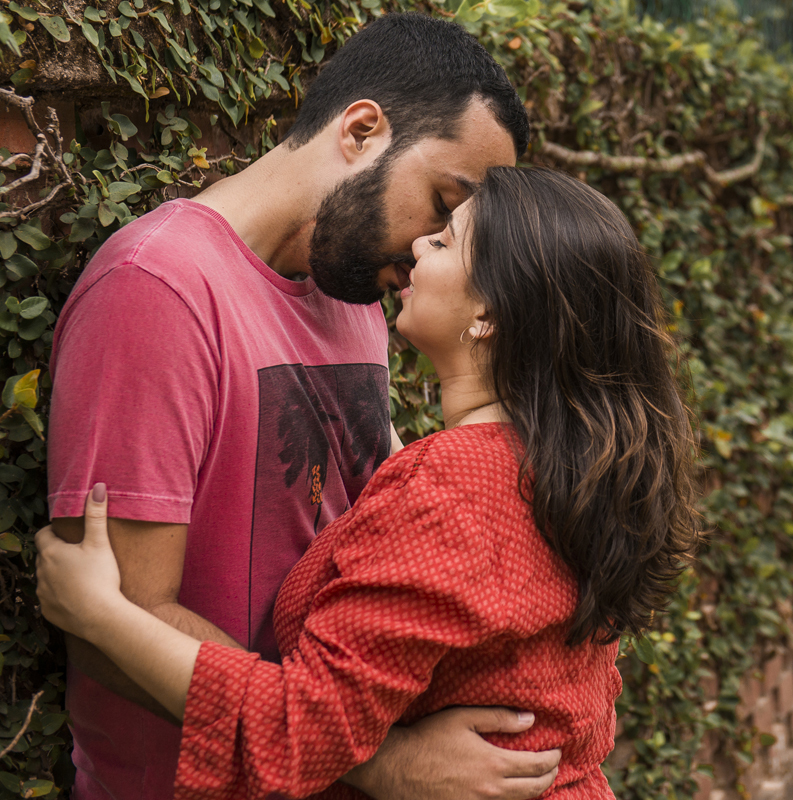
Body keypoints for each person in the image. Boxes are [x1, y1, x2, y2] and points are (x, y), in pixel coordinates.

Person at [37, 166, 703, 800]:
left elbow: (301, 726)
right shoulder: (559, 469)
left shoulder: (452, 487)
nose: (418, 242)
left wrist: (101, 614)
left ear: (490, 315)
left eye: (444, 240)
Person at [45, 12, 564, 800]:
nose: (432, 245)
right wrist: (385, 761)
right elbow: (115, 619)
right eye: (441, 202)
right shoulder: (158, 291)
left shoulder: (353, 288)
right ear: (361, 130)